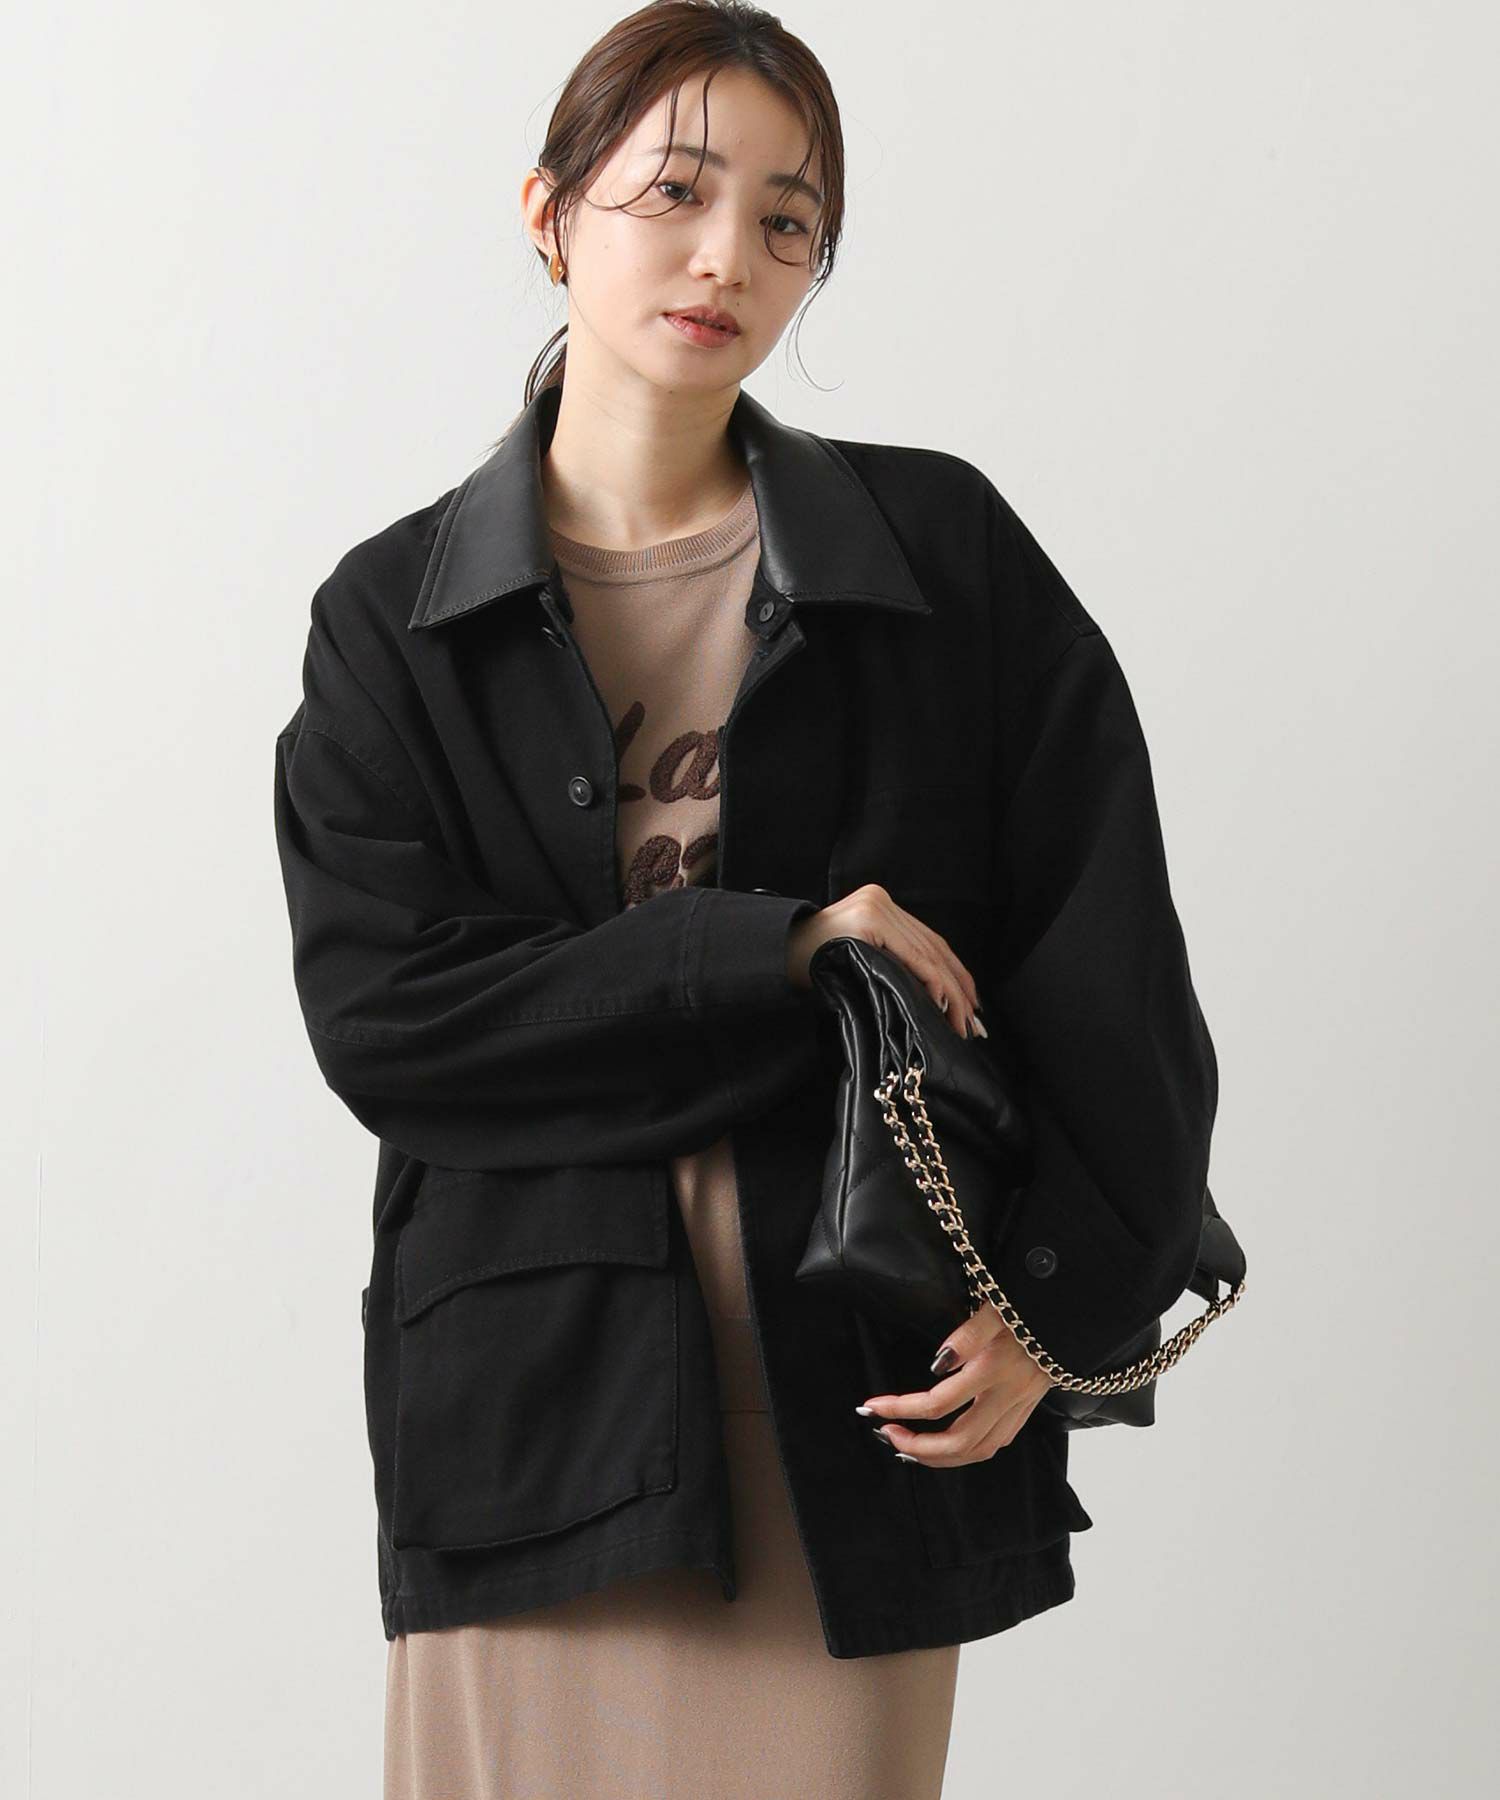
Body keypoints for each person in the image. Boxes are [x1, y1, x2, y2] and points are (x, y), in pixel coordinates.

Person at [272, 5, 1219, 1795]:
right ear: (549, 213)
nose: (728, 256)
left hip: (866, 1396)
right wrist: (780, 948)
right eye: (675, 193)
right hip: (542, 1418)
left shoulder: (941, 560)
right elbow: (392, 1019)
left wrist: (1058, 1308)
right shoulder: (393, 620)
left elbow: (1110, 962)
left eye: (788, 221)